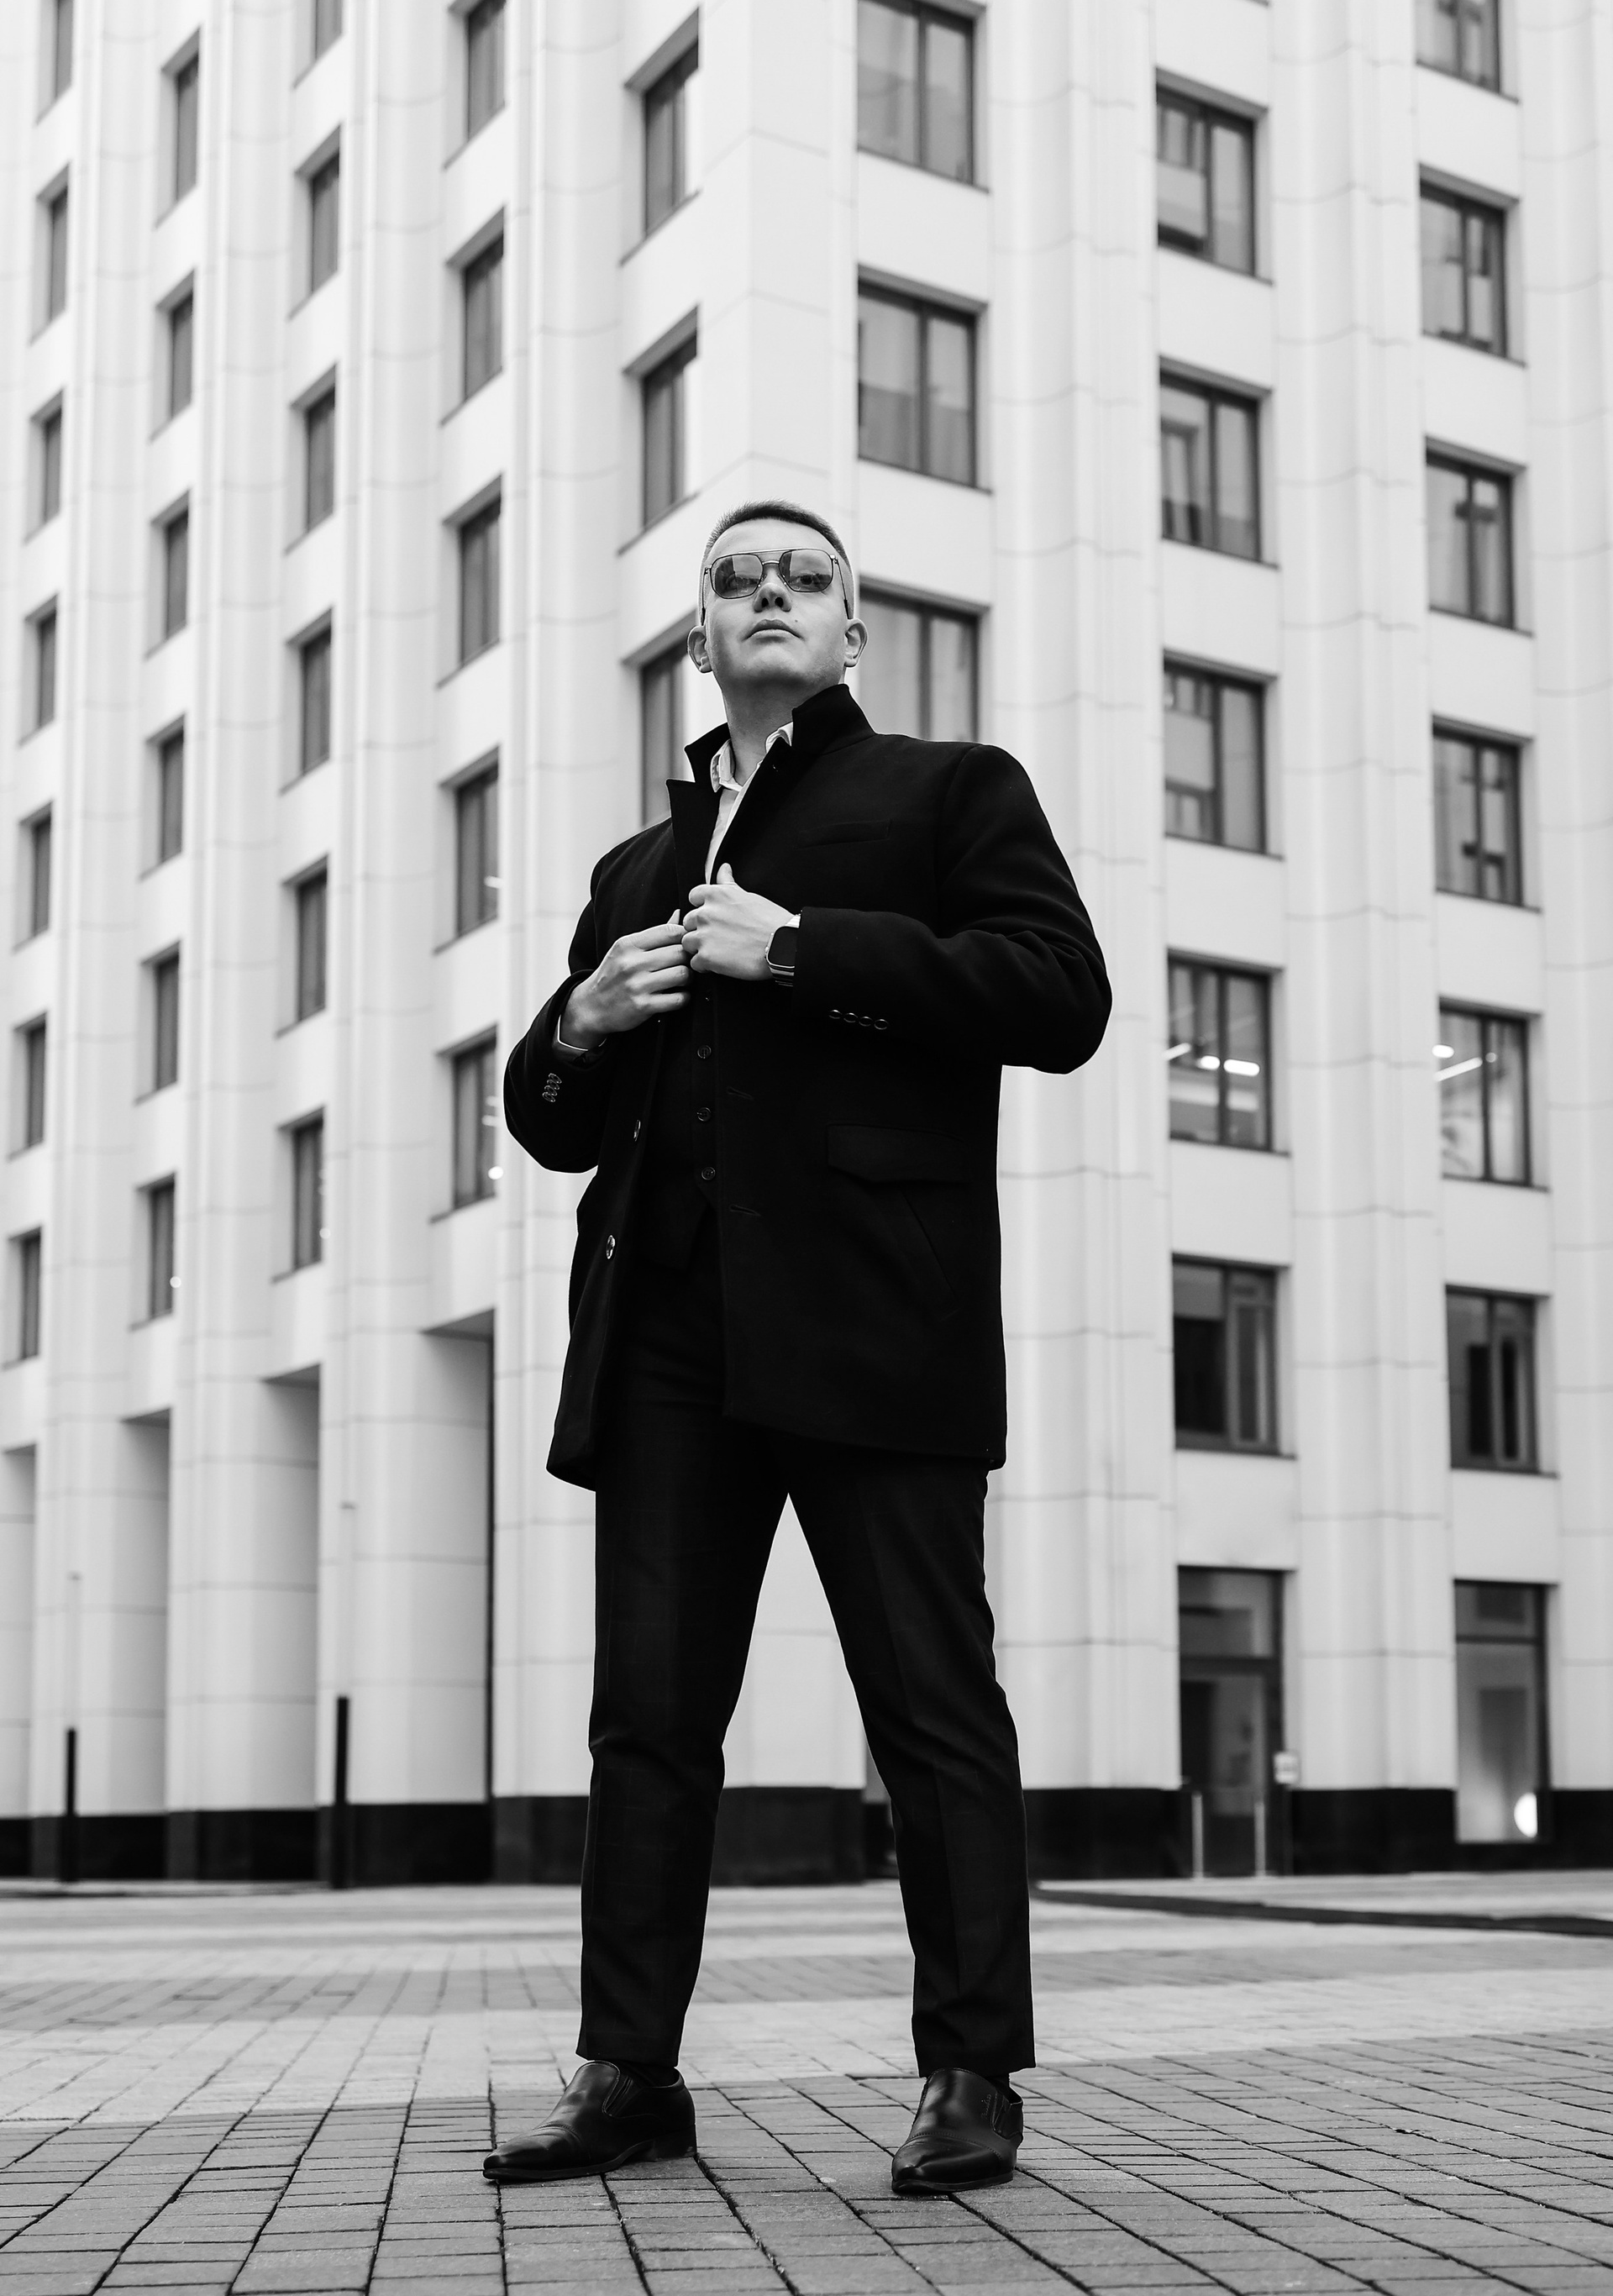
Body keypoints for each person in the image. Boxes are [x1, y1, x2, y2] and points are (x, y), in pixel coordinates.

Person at [486, 498, 1109, 2195]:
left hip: (877, 1321)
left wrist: (803, 951)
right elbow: (552, 1123)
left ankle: (972, 2072)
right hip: (667, 1342)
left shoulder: (951, 792)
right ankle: (629, 2073)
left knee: (930, 1706)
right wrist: (579, 1021)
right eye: (736, 578)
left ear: (851, 635)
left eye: (806, 577)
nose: (771, 591)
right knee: (647, 1722)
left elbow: (1061, 995)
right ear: (699, 636)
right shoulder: (637, 871)